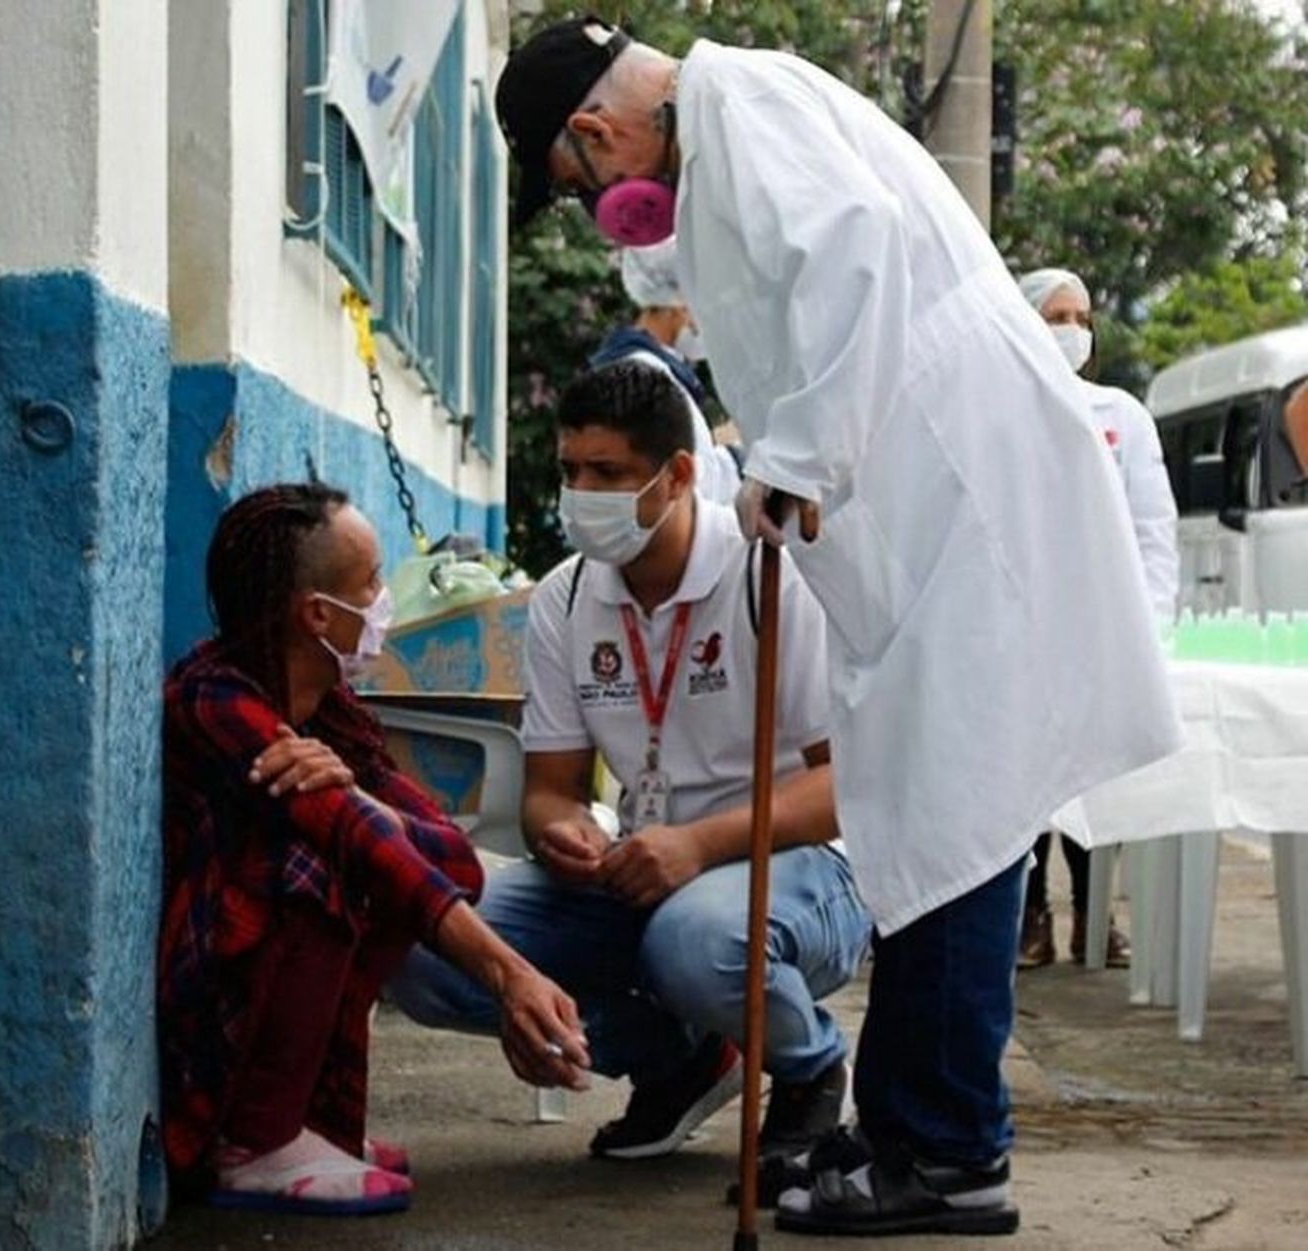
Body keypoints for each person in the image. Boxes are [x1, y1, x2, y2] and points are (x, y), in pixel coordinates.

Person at [495, 17, 1181, 1237]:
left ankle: (954, 1153)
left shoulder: (740, 109)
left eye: (575, 178)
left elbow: (850, 257)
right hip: (924, 508)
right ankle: (908, 1125)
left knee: (959, 828)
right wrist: (785, 465)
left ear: (593, 130)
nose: (600, 200)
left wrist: (794, 459)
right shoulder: (725, 129)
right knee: (928, 821)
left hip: (963, 501)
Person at [391, 361, 870, 1170]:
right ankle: (676, 1058)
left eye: (607, 473)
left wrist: (700, 845)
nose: (582, 493)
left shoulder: (767, 575)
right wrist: (564, 833)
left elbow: (845, 790)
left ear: (677, 475)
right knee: (422, 949)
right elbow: (550, 791)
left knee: (694, 940)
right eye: (571, 471)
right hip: (640, 865)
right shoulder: (567, 597)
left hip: (796, 865)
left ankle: (809, 1066)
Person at [158, 483, 589, 1217]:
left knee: (371, 871)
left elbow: (452, 859)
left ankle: (313, 1127)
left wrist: (355, 793)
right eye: (373, 583)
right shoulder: (216, 699)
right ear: (319, 613)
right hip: (210, 1011)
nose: (385, 600)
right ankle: (254, 1141)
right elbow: (360, 842)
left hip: (271, 974)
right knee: (318, 868)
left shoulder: (330, 714)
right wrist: (507, 976)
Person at [1016, 266, 1181, 970]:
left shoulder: (1121, 414)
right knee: (1025, 785)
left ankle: (1093, 918)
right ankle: (1028, 919)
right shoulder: (1003, 408)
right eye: (1058, 315)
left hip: (1101, 628)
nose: (1073, 332)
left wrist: (1149, 626)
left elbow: (1153, 526)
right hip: (1020, 629)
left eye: (1082, 319)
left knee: (1095, 779)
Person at [589, 236, 743, 503]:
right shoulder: (645, 379)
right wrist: (737, 456)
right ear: (677, 304)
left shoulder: (639, 371)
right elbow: (692, 486)